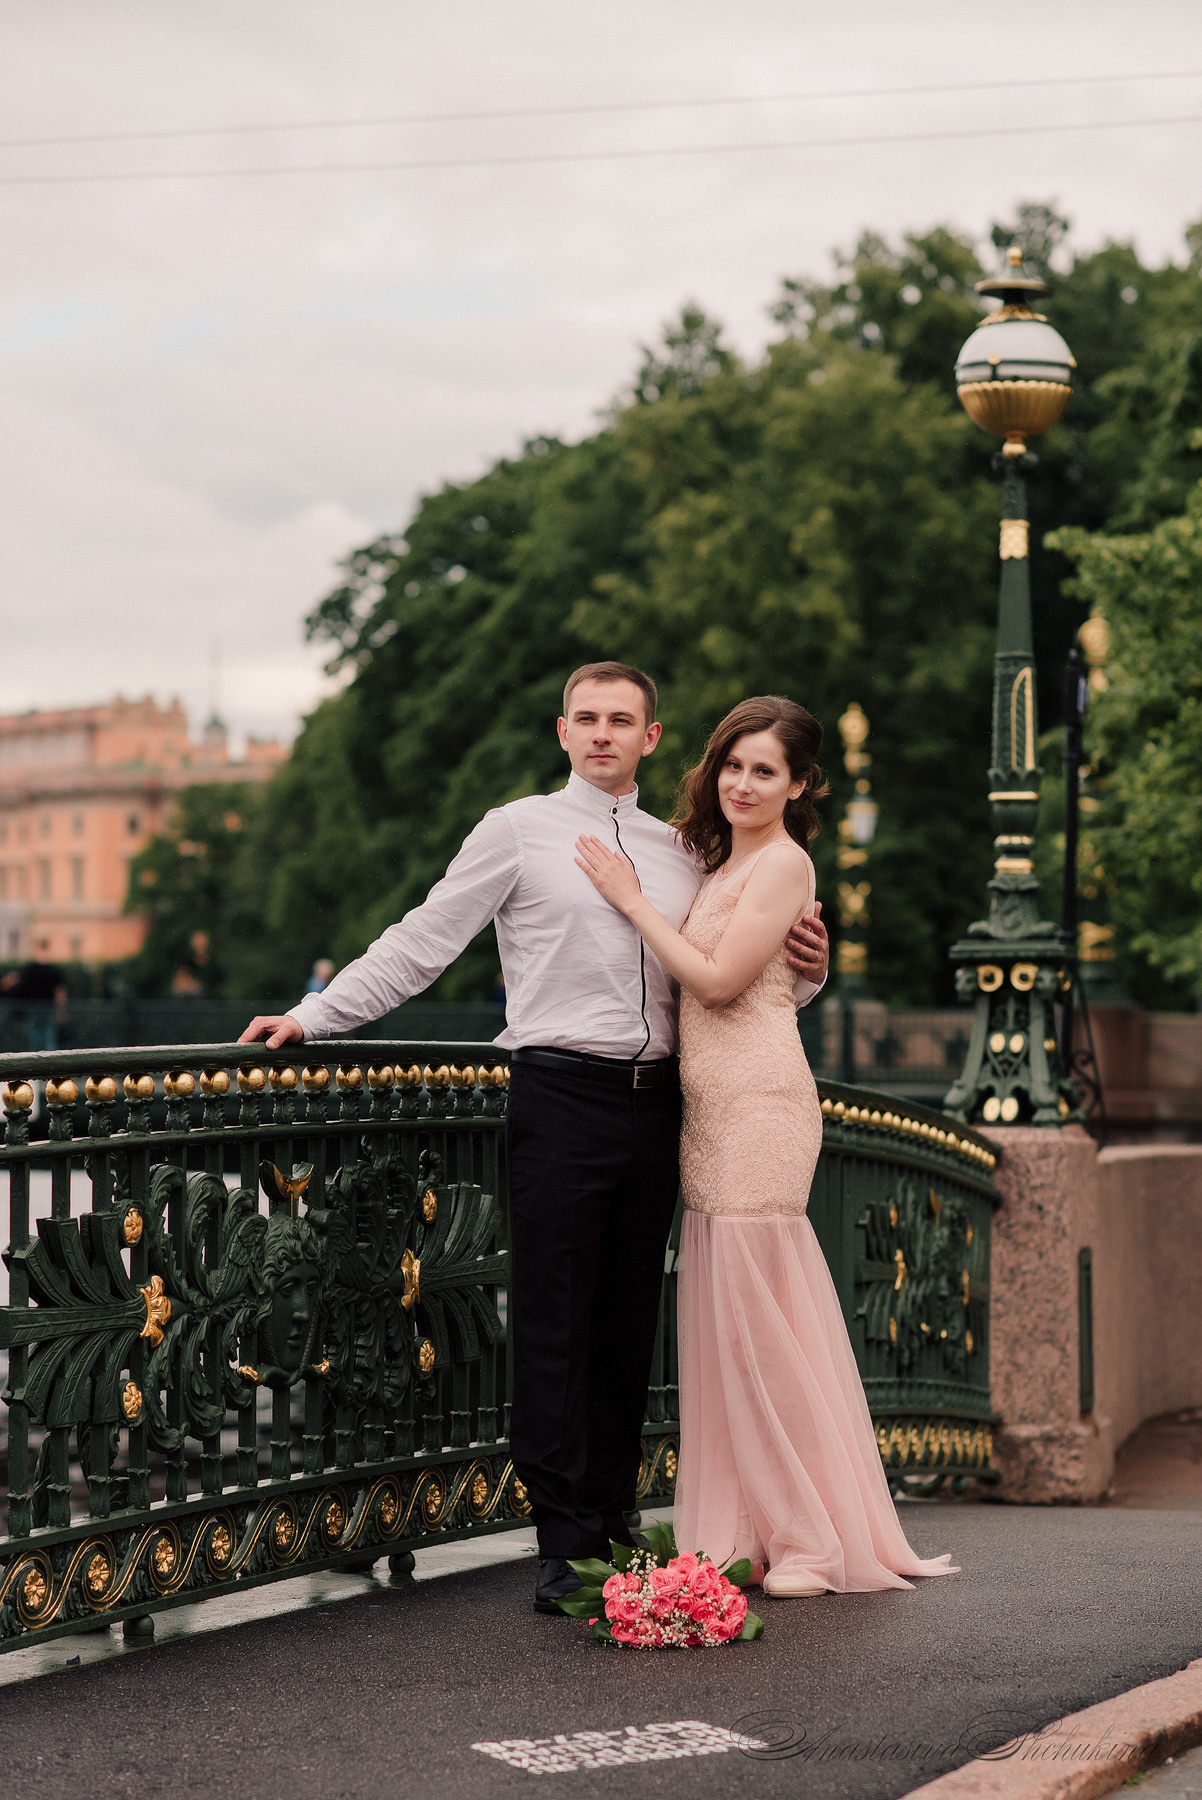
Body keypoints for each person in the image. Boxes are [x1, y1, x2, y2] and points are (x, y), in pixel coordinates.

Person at [238, 662, 829, 1612]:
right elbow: (423, 940)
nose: (603, 734)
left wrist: (815, 972)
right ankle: (561, 1544)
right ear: (562, 733)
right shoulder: (517, 830)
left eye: (621, 720)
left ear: (652, 736)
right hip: (561, 1091)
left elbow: (736, 972)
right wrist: (316, 1016)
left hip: (667, 1101)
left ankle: (615, 1522)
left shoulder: (687, 850)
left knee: (630, 1320)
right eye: (586, 718)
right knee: (556, 1317)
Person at [574, 694, 957, 1597]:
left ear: (800, 785)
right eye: (733, 765)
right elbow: (764, 977)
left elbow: (713, 983)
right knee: (727, 1327)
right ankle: (749, 1528)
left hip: (759, 1109)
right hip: (705, 1115)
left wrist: (628, 901)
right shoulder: (711, 859)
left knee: (761, 1329)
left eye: (766, 771)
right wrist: (809, 971)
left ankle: (815, 1542)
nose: (744, 783)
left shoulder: (784, 864)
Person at [1, 945, 67, 1053]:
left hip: (35, 1008)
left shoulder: (30, 968)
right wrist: (61, 1011)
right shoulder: (52, 970)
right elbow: (60, 991)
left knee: (37, 1036)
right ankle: (49, 1061)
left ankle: (38, 1060)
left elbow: (13, 978)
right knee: (46, 1036)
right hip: (45, 1008)